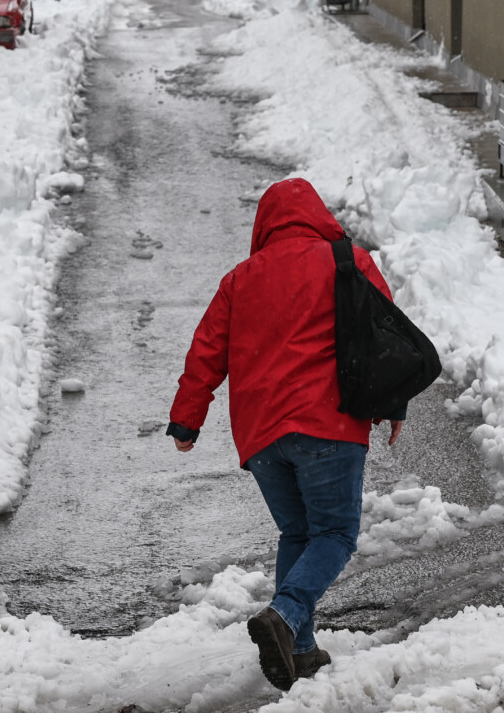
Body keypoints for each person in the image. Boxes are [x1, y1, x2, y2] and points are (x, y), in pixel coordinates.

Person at [166, 177, 404, 692]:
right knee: (336, 534)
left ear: (265, 225)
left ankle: (297, 647)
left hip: (262, 439)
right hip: (329, 425)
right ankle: (285, 613)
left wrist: (187, 419)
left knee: (298, 533)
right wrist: (393, 404)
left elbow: (206, 351)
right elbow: (384, 337)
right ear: (318, 215)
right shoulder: (348, 261)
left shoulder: (240, 278)